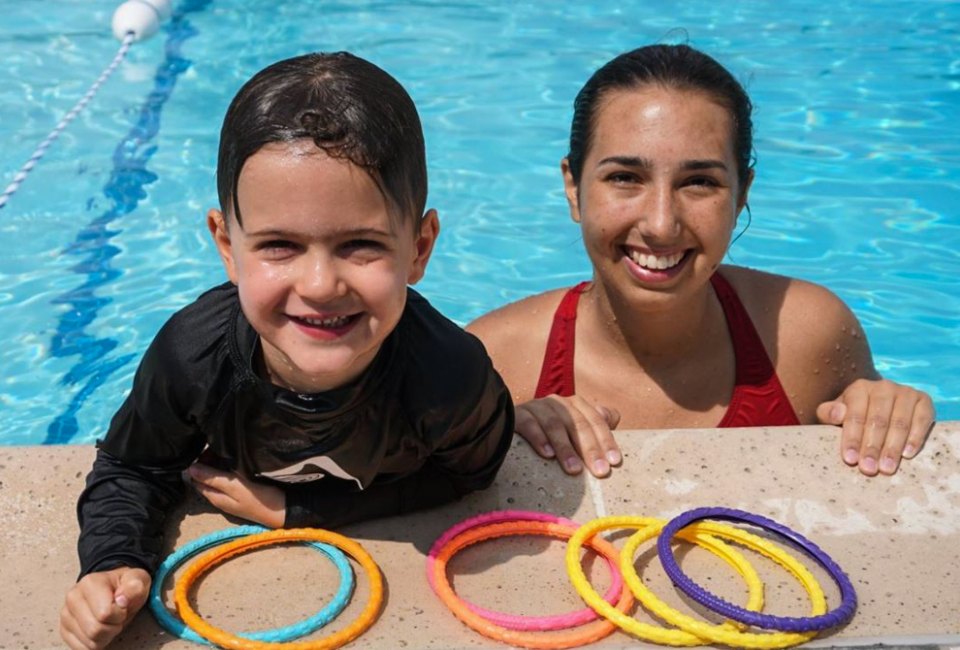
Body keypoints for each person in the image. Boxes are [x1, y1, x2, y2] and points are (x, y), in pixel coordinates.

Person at [59, 52, 514, 650]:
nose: (321, 284)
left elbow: (468, 475)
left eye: (361, 245)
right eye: (279, 246)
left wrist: (300, 511)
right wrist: (113, 561)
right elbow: (133, 465)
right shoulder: (194, 358)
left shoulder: (449, 378)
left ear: (420, 246)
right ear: (227, 244)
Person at [467, 43, 934, 481]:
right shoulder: (492, 366)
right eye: (626, 177)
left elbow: (870, 434)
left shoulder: (807, 336)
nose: (661, 224)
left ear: (742, 193)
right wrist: (508, 434)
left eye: (699, 183)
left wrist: (885, 407)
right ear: (573, 188)